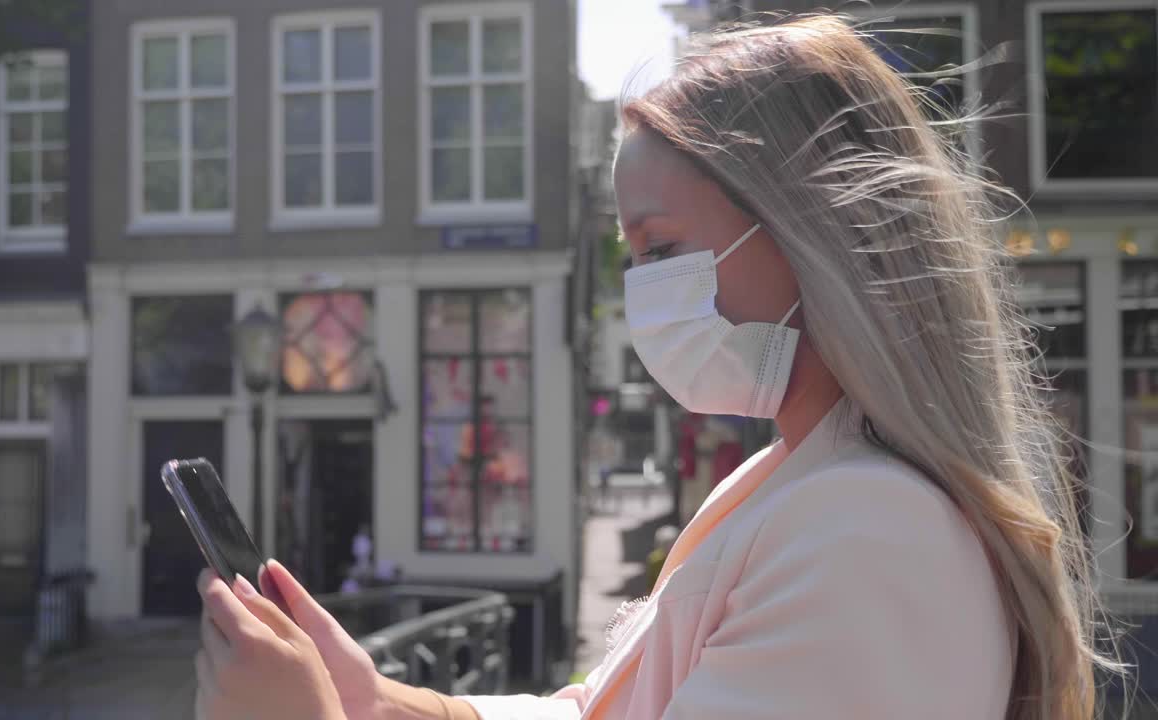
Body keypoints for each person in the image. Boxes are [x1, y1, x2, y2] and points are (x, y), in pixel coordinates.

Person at [192, 14, 1119, 720]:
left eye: (661, 247)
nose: (642, 290)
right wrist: (391, 703)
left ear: (812, 239)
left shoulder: (864, 534)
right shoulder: (793, 479)